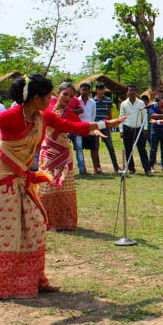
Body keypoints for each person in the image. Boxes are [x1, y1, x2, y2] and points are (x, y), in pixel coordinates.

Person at [0, 74, 124, 298]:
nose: (53, 99)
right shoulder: (12, 115)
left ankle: (34, 278)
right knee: (5, 233)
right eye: (49, 95)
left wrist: (106, 123)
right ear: (36, 97)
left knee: (35, 226)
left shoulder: (43, 117)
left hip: (22, 177)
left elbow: (70, 126)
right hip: (1, 178)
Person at [38, 82, 107, 231]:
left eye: (71, 96)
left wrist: (94, 130)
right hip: (48, 152)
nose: (68, 98)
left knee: (62, 187)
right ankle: (46, 221)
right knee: (46, 187)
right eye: (65, 94)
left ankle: (64, 222)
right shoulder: (47, 109)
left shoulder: (69, 114)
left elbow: (82, 127)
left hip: (63, 153)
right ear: (58, 94)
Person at [119, 84, 152, 176]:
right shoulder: (124, 104)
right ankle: (131, 168)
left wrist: (145, 129)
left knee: (142, 149)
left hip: (139, 129)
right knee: (128, 149)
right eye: (130, 90)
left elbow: (144, 116)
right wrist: (121, 130)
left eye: (133, 90)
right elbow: (121, 117)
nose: (132, 92)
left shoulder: (141, 103)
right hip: (127, 128)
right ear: (127, 92)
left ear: (136, 92)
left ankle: (147, 169)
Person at [93, 82, 120, 172]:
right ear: (96, 90)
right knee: (96, 147)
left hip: (105, 124)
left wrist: (110, 124)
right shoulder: (93, 101)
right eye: (99, 89)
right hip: (96, 125)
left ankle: (116, 167)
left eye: (102, 89)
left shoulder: (108, 100)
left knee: (110, 146)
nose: (101, 91)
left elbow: (109, 113)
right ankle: (98, 167)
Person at [78, 82, 100, 174]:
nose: (84, 91)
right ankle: (83, 169)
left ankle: (96, 168)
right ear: (80, 90)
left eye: (86, 90)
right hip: (79, 128)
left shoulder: (93, 102)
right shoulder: (76, 101)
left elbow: (93, 115)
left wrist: (93, 128)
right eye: (83, 89)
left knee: (94, 149)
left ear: (89, 91)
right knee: (80, 149)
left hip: (90, 127)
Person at [147, 89, 163, 173]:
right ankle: (151, 165)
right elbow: (153, 116)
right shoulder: (153, 106)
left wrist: (162, 116)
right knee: (153, 148)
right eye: (159, 95)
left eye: (162, 95)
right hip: (155, 129)